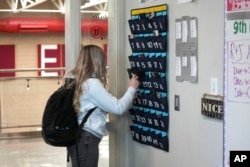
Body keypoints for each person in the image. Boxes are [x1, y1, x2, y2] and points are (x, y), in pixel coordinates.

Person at [66, 44, 139, 167]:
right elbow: (118, 108)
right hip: (86, 140)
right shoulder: (92, 84)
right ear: (97, 61)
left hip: (78, 137)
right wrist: (131, 88)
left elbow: (91, 107)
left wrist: (129, 98)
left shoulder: (73, 79)